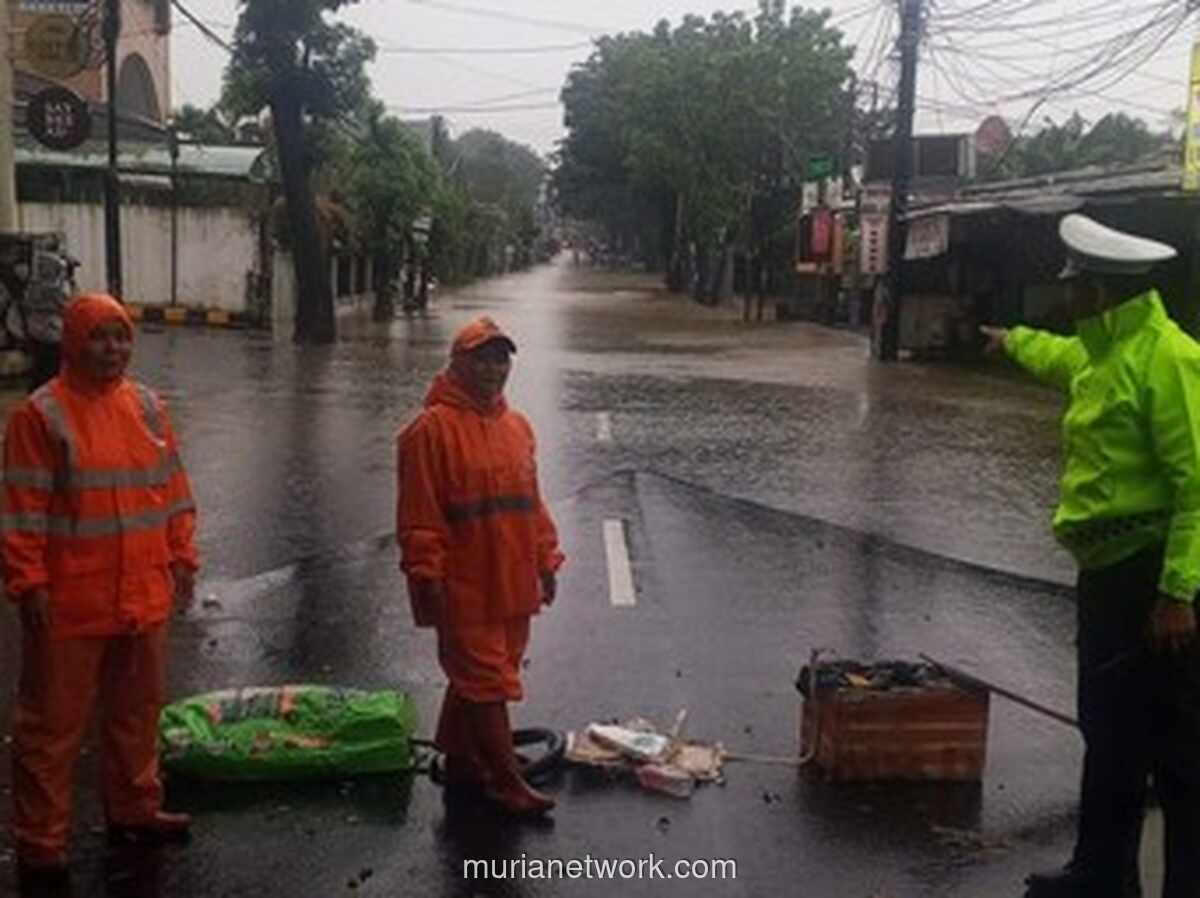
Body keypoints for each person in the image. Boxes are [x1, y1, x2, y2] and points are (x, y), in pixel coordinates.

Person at [980, 214, 1200, 898]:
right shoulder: (1104, 354)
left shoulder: (1168, 357)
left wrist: (1178, 594)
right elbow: (1059, 357)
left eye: (1074, 289)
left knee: (1175, 749)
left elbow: (1199, 482)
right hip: (1106, 577)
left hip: (1154, 577)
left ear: (1100, 293)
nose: (1064, 299)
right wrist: (1010, 340)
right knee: (1108, 731)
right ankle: (1101, 871)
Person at [2, 294, 199, 893]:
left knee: (137, 713)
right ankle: (41, 845)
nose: (112, 350)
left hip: (142, 595)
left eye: (120, 338)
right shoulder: (41, 416)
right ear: (73, 342)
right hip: (70, 603)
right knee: (52, 728)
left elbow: (172, 492)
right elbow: (21, 509)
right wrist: (27, 583)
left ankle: (135, 810)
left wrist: (183, 557)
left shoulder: (146, 407)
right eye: (99, 338)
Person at [396, 316, 564, 817]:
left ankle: (465, 758)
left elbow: (531, 505)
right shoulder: (429, 432)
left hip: (512, 583)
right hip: (463, 585)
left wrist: (546, 560)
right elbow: (419, 515)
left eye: (501, 357)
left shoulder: (517, 428)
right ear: (457, 364)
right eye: (483, 358)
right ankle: (505, 782)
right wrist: (428, 578)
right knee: (486, 679)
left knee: (486, 673)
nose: (495, 368)